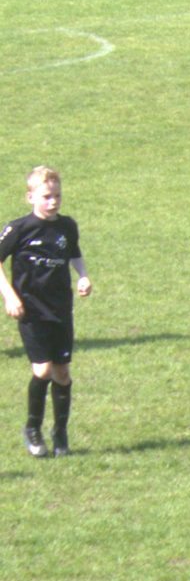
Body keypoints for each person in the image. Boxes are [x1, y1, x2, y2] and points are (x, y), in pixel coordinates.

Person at [1, 166, 91, 458]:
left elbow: (74, 253)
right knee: (43, 369)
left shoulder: (67, 226)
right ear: (30, 197)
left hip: (61, 309)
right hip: (31, 310)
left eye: (57, 196)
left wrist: (83, 276)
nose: (53, 202)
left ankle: (60, 432)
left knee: (63, 373)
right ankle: (33, 428)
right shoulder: (19, 229)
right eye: (47, 196)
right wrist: (9, 296)